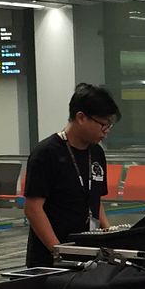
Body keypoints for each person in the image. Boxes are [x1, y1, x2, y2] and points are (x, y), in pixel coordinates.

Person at [23, 83, 120, 267]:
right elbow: (33, 209)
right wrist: (60, 251)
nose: (106, 132)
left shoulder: (96, 153)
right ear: (81, 117)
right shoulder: (46, 153)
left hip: (90, 254)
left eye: (109, 125)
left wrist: (109, 235)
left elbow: (95, 200)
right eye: (103, 125)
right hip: (51, 260)